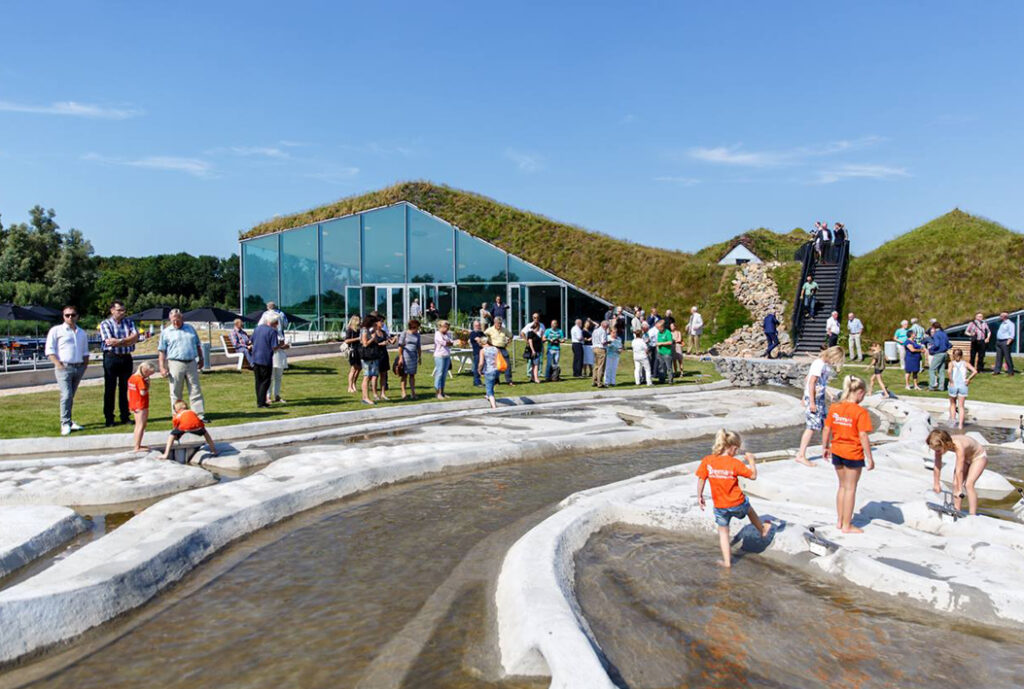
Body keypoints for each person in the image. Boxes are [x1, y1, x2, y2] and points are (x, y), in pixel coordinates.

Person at [696, 429, 771, 568]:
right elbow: (753, 476)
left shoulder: (708, 460)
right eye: (736, 449)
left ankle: (727, 562)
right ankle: (762, 530)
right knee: (749, 509)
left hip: (720, 506)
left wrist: (699, 496)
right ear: (732, 447)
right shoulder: (734, 463)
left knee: (723, 532)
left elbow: (701, 479)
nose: (736, 452)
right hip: (737, 503)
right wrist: (751, 461)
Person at [822, 375, 874, 533]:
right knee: (851, 488)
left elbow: (826, 429)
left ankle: (840, 521)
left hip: (837, 450)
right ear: (859, 392)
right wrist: (870, 457)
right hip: (853, 453)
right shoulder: (860, 412)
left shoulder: (835, 408)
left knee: (842, 487)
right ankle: (847, 525)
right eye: (864, 394)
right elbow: (863, 435)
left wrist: (825, 446)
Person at [795, 345, 845, 466]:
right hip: (814, 399)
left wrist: (827, 393)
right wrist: (810, 401)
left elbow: (814, 381)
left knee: (825, 423)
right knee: (811, 426)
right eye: (835, 361)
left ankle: (826, 449)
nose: (834, 363)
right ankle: (801, 455)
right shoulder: (819, 364)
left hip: (819, 398)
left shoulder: (823, 365)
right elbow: (811, 381)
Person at [45, 305, 90, 436]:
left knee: (71, 396)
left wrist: (85, 365)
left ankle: (69, 421)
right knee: (66, 395)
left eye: (73, 315)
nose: (70, 317)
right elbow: (49, 350)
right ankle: (64, 422)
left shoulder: (81, 332)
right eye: (67, 315)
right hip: (64, 367)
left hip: (78, 367)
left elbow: (85, 351)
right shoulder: (56, 330)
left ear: (77, 316)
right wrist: (58, 365)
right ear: (63, 316)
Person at [158, 308, 205, 420]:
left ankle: (199, 415)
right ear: (170, 319)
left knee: (195, 389)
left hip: (191, 362)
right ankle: (177, 415)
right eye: (173, 320)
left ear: (181, 318)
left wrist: (201, 358)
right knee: (175, 390)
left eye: (177, 319)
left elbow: (198, 345)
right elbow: (162, 351)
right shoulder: (166, 332)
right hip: (175, 363)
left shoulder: (190, 329)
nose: (175, 322)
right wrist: (162, 367)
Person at [927, 429, 987, 515]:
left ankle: (972, 515)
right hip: (966, 458)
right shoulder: (939, 445)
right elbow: (937, 465)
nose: (937, 452)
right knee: (955, 483)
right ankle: (956, 511)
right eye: (935, 450)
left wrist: (959, 489)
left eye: (938, 450)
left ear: (945, 444)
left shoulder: (958, 445)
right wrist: (936, 483)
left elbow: (959, 470)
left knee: (968, 484)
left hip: (978, 457)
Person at [99, 300, 139, 427]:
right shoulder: (105, 324)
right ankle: (109, 418)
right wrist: (127, 341)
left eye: (123, 310)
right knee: (110, 389)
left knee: (125, 389)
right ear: (112, 311)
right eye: (119, 310)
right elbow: (109, 341)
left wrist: (120, 341)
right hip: (112, 358)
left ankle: (125, 415)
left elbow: (136, 337)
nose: (122, 313)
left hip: (126, 358)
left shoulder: (129, 322)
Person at [252, 316, 287, 408]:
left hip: (255, 358)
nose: (277, 326)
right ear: (274, 323)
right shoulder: (272, 331)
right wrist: (282, 345)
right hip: (265, 359)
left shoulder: (257, 329)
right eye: (276, 324)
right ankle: (261, 402)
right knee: (265, 381)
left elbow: (251, 340)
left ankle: (260, 401)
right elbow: (274, 347)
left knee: (258, 381)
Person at [258, 302, 289, 404]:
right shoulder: (279, 314)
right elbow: (285, 324)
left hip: (276, 344)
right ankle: (273, 395)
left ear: (268, 307)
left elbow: (259, 326)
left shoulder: (267, 315)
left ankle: (271, 396)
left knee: (272, 375)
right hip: (277, 344)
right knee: (276, 375)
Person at [127, 362, 155, 452]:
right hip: (141, 404)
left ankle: (137, 444)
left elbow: (128, 391)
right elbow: (143, 392)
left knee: (137, 425)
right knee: (141, 425)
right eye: (149, 374)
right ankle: (137, 446)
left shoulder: (131, 378)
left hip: (134, 403)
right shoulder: (140, 380)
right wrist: (148, 385)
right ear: (145, 371)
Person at [945, 348, 976, 428]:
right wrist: (968, 379)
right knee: (961, 406)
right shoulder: (965, 363)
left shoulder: (951, 363)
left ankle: (952, 421)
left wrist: (951, 381)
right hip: (963, 385)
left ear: (953, 356)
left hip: (954, 385)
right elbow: (975, 371)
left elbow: (949, 372)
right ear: (961, 355)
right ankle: (960, 425)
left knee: (952, 404)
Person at [359, 315, 382, 405]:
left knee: (369, 376)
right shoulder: (364, 330)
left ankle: (365, 397)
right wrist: (372, 338)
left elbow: (375, 341)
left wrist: (374, 335)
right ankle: (365, 397)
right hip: (367, 356)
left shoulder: (368, 330)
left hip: (371, 356)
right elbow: (365, 343)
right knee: (366, 376)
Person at [485, 316, 514, 386]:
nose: (500, 325)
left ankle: (509, 380)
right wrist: (488, 343)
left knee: (507, 364)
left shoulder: (504, 329)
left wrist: (508, 342)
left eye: (500, 323)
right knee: (495, 365)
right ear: (495, 323)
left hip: (503, 348)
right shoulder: (490, 330)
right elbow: (484, 335)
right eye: (498, 323)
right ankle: (496, 381)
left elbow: (511, 335)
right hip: (494, 348)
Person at [398, 319, 422, 399]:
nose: (417, 329)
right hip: (405, 355)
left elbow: (418, 346)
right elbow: (400, 346)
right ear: (412, 327)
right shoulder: (404, 333)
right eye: (416, 328)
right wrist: (400, 357)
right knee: (404, 375)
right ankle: (403, 392)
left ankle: (413, 392)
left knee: (412, 375)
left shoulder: (417, 335)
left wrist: (419, 357)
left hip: (413, 356)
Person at [927, 322, 951, 391]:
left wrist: (931, 349)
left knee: (931, 369)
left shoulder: (936, 334)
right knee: (941, 371)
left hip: (938, 353)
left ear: (933, 327)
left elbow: (937, 344)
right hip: (945, 353)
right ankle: (941, 387)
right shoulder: (944, 333)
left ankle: (931, 386)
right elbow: (949, 344)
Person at [433, 320, 454, 399]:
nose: (447, 329)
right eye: (445, 327)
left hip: (447, 355)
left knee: (444, 375)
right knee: (439, 374)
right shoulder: (437, 334)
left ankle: (442, 392)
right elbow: (444, 343)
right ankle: (437, 393)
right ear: (440, 327)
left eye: (448, 327)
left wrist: (448, 342)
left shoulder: (447, 334)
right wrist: (448, 342)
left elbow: (452, 342)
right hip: (439, 356)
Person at [479, 336, 500, 409]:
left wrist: (479, 370)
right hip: (496, 370)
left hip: (488, 370)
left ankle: (494, 407)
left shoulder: (482, 350)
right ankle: (487, 395)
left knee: (489, 389)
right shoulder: (496, 349)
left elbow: (481, 363)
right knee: (492, 384)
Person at [343, 315, 363, 393]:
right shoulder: (350, 330)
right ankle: (350, 386)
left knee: (359, 368)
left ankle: (354, 383)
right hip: (352, 350)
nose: (360, 322)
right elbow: (346, 341)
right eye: (359, 320)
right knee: (353, 368)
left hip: (359, 350)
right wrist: (357, 339)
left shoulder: (358, 330)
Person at [993, 311, 1016, 376]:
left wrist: (1009, 341)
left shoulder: (1010, 324)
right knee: (999, 357)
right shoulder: (1002, 323)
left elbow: (1012, 334)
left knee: (1007, 357)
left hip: (1005, 341)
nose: (1000, 317)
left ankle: (1010, 371)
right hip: (999, 341)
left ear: (1004, 317)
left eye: (1001, 316)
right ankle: (997, 370)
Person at [654, 319, 674, 384]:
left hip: (667, 353)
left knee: (669, 367)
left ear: (662, 327)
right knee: (661, 367)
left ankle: (670, 380)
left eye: (658, 328)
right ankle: (662, 379)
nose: (658, 329)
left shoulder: (667, 332)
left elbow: (670, 342)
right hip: (660, 352)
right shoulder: (659, 333)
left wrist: (661, 343)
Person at [468, 319, 486, 387]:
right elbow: (479, 340)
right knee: (477, 367)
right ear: (473, 326)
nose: (477, 326)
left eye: (478, 325)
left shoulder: (481, 333)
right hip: (477, 353)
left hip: (483, 352)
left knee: (481, 368)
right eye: (476, 325)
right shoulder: (473, 333)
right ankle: (476, 382)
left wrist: (482, 341)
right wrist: (482, 341)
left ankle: (479, 381)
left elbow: (486, 340)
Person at [591, 319, 608, 387]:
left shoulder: (595, 330)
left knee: (596, 366)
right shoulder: (603, 331)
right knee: (601, 366)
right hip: (601, 349)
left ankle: (594, 381)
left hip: (594, 348)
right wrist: (609, 342)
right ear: (605, 326)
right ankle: (599, 382)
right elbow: (603, 342)